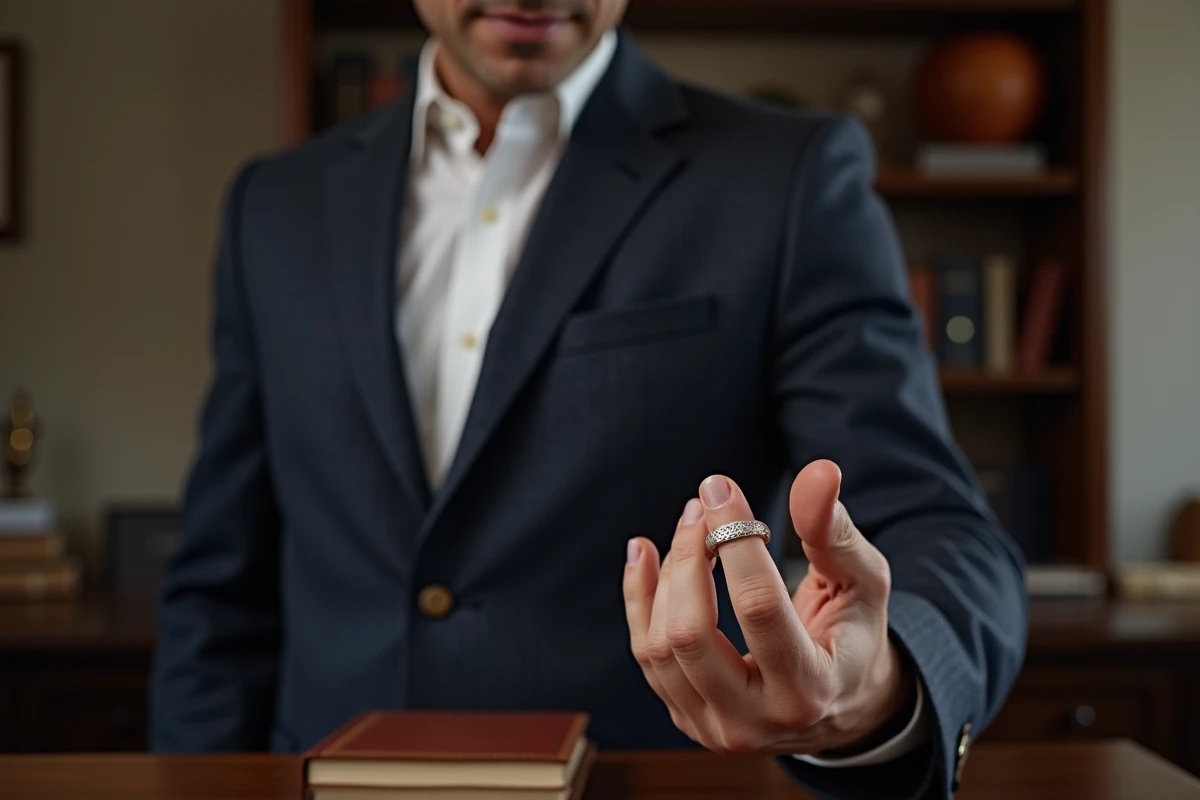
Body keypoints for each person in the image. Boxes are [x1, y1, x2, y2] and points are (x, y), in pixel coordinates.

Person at [149, 1, 1028, 797]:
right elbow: (223, 588)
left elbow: (936, 524)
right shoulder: (272, 206)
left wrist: (873, 688)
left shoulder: (789, 177)